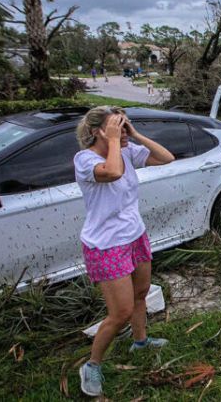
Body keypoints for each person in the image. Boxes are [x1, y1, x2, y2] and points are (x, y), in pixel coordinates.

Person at [74, 106, 175, 397]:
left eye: (123, 124)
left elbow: (166, 157)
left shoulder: (127, 151)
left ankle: (140, 341)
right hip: (106, 245)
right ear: (97, 132)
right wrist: (117, 141)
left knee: (141, 293)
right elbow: (113, 172)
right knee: (120, 312)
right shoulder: (85, 159)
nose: (122, 129)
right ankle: (92, 366)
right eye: (116, 125)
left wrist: (134, 134)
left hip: (134, 235)